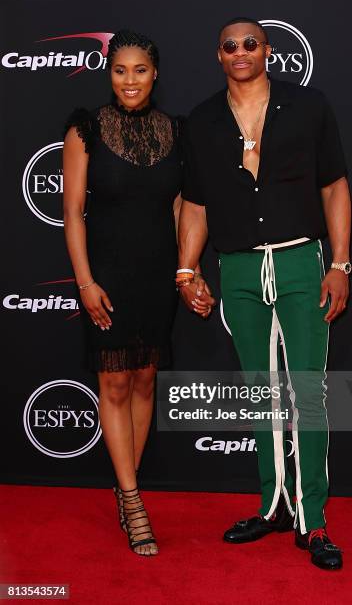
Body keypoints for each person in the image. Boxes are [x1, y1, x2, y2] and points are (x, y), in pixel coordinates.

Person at [177, 17, 351, 570]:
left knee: (308, 393)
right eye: (230, 46)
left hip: (302, 260)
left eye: (250, 43)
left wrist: (340, 263)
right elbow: (196, 204)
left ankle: (313, 520)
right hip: (239, 269)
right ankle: (272, 506)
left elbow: (334, 186)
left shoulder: (309, 106)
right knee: (262, 393)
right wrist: (187, 271)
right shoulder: (202, 121)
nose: (241, 52)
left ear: (268, 51)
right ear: (219, 56)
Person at [63, 29, 205, 556]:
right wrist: (85, 282)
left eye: (139, 70)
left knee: (145, 380)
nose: (129, 80)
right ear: (109, 73)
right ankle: (133, 499)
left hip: (156, 275)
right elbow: (72, 213)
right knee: (115, 384)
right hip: (106, 276)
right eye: (120, 70)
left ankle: (127, 492)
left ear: (155, 73)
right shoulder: (86, 129)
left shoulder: (177, 130)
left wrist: (186, 270)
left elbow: (179, 208)